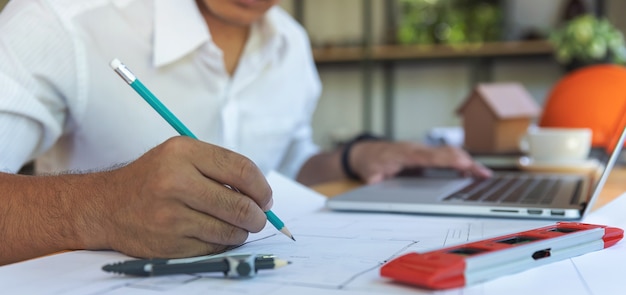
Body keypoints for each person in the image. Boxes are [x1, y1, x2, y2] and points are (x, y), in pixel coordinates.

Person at [0, 0, 490, 266]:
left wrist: (355, 158)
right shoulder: (57, 22)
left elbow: (288, 167)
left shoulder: (291, 43)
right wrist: (101, 207)